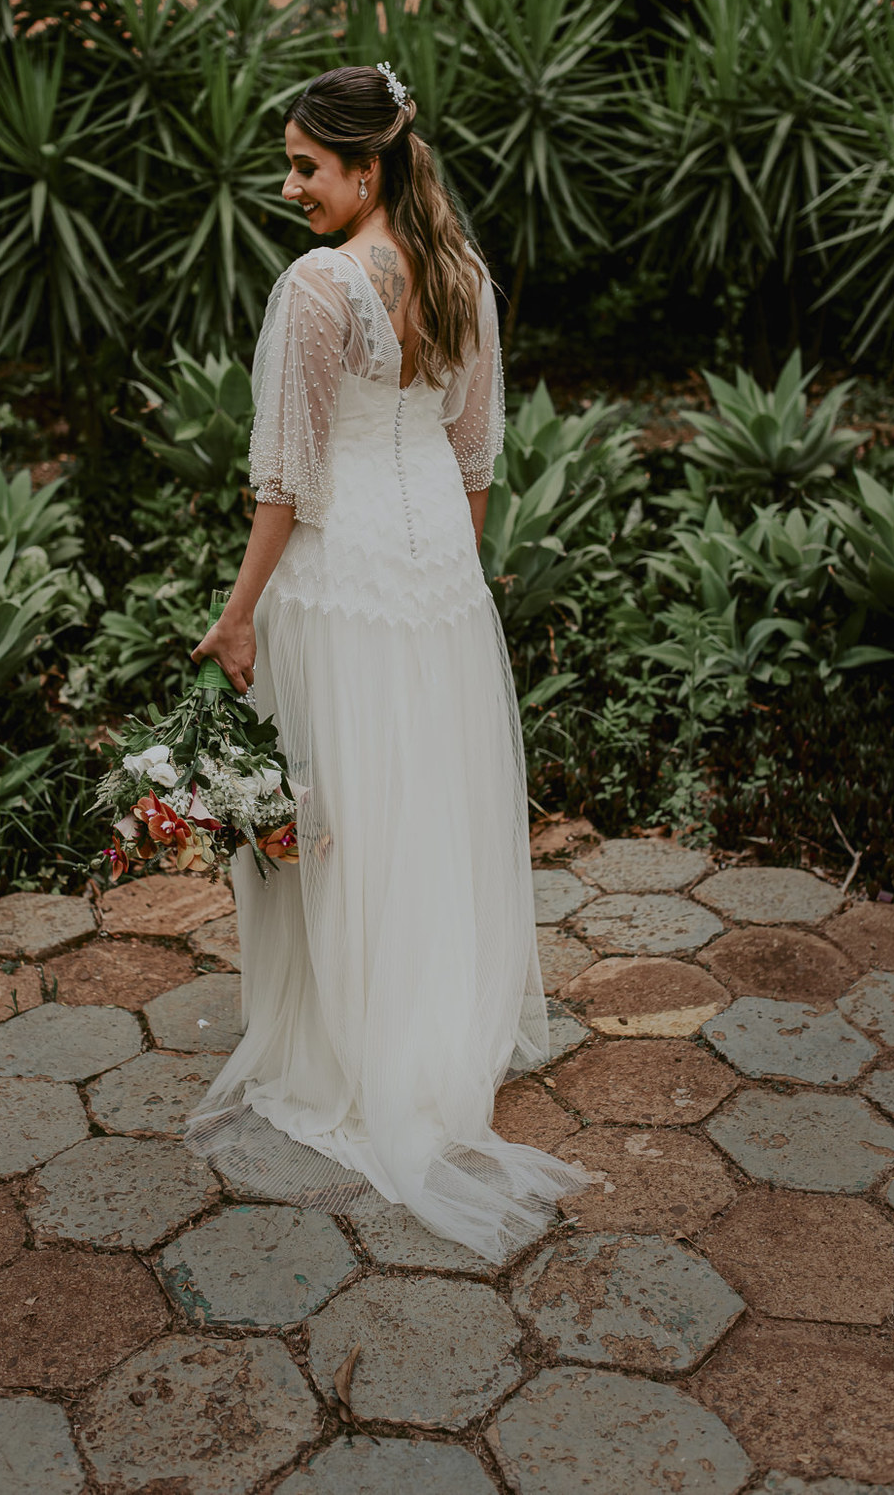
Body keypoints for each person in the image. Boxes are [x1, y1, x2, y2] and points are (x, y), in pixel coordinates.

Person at [186, 62, 587, 1261]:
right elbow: (474, 459)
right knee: (421, 804)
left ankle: (350, 1044)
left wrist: (240, 612)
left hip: (339, 583)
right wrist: (448, 587)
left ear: (368, 167)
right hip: (432, 588)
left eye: (307, 164)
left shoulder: (318, 286)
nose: (290, 183)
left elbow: (287, 476)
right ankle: (432, 1027)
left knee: (341, 813)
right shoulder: (464, 277)